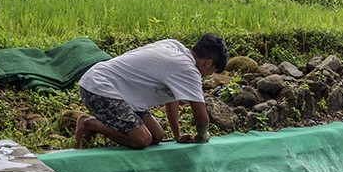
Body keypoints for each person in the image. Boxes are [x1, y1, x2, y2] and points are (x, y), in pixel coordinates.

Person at [74, 34, 228, 149]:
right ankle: (90, 124)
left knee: (157, 136)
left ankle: (98, 126)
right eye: (213, 71)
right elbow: (202, 119)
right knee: (142, 140)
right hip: (98, 88)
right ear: (208, 63)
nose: (209, 75)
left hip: (121, 92)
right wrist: (201, 137)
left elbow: (172, 98)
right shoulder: (189, 70)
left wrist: (177, 135)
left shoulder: (174, 46)